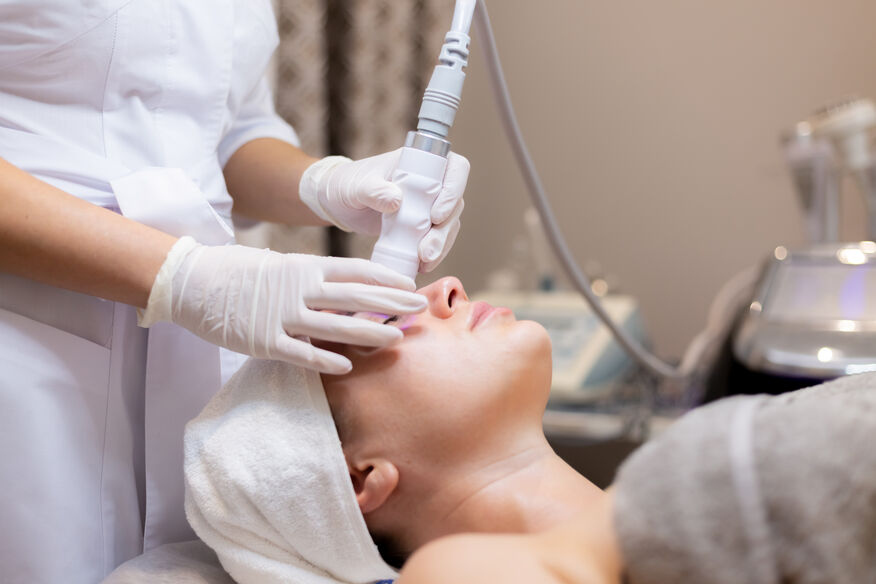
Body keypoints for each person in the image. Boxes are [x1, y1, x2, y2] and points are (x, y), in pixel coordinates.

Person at [0, 2, 468, 583]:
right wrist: (186, 277)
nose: (447, 292)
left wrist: (325, 184)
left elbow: (223, 130)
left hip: (188, 351)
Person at [318, 277, 876, 583]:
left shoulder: (663, 480)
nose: (447, 287)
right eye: (390, 322)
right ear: (360, 475)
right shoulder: (448, 573)